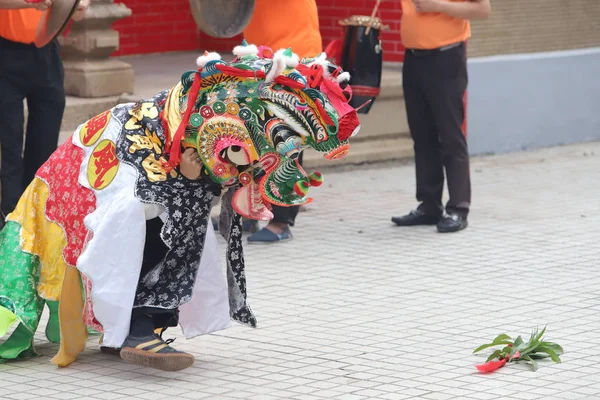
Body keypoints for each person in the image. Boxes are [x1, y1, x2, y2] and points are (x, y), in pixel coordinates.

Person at [392, 0, 491, 233]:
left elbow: (483, 10)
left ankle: (458, 208)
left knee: (450, 134)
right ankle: (429, 206)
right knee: (422, 135)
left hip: (446, 56)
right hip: (413, 57)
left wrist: (436, 5)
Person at [0, 0, 89, 229]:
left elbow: (74, 10)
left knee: (44, 146)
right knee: (8, 148)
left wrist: (76, 7)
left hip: (46, 54)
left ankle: (35, 219)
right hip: (5, 53)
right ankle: (9, 221)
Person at [242, 0, 323, 243]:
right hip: (259, 55)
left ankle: (281, 220)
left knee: (285, 138)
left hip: (293, 56)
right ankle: (251, 210)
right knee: (251, 134)